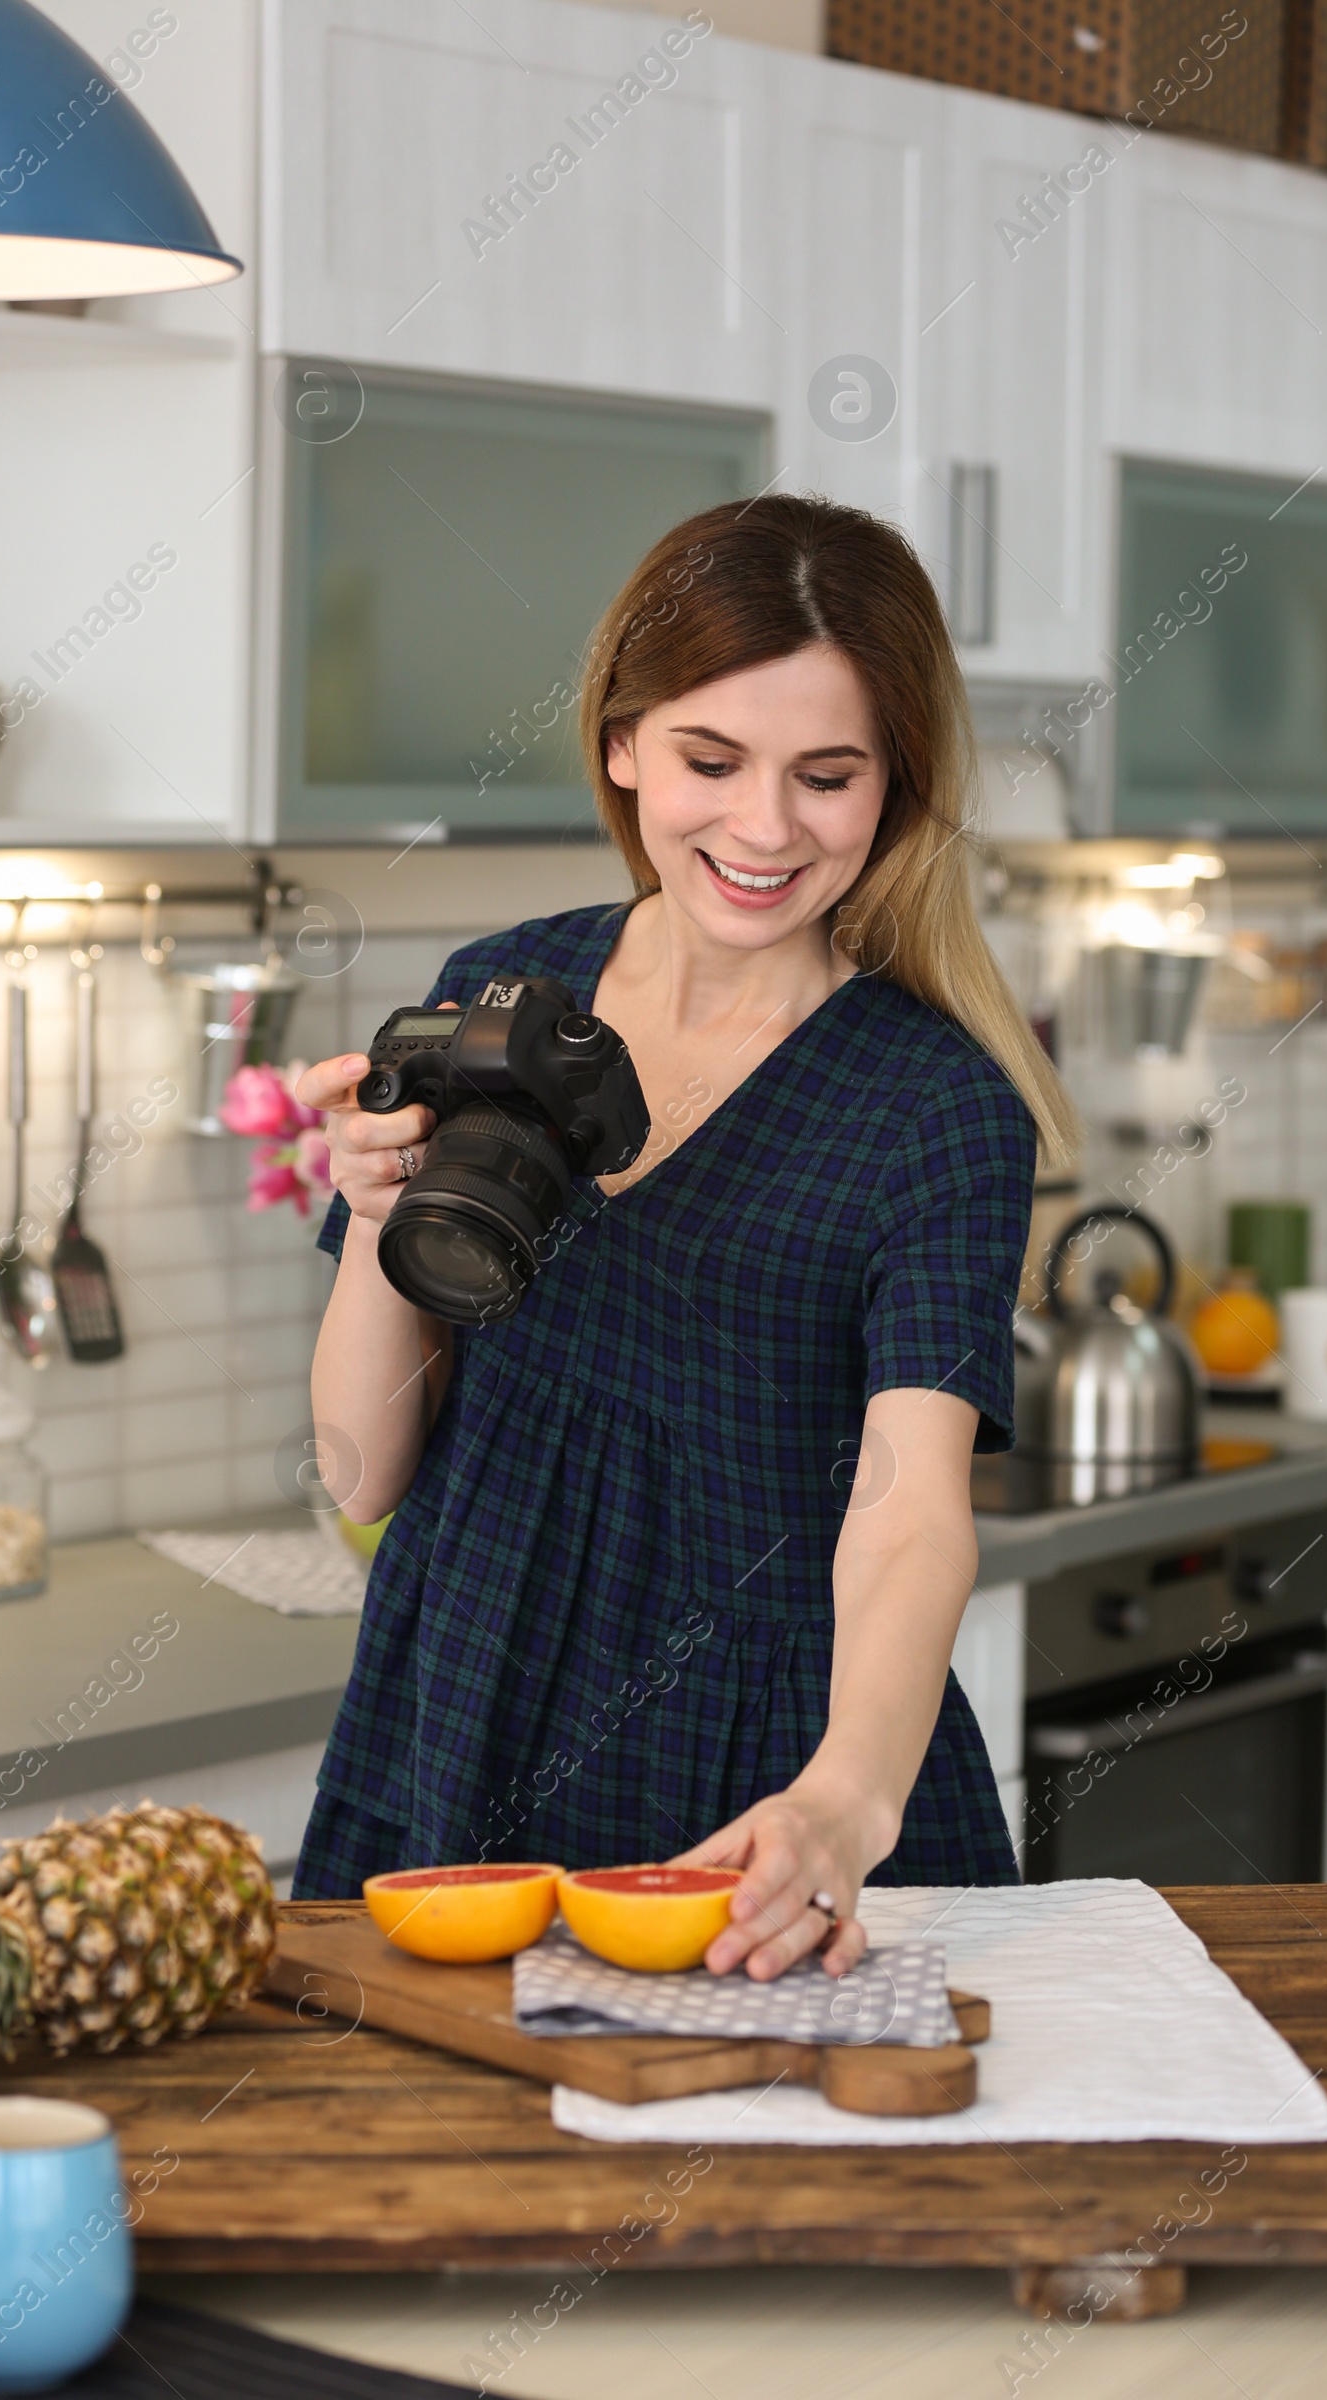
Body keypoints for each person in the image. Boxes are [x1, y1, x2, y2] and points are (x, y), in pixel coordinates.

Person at [290, 494, 1079, 1982]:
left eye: (828, 777)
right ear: (621, 744)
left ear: (895, 788)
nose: (765, 827)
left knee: (752, 2209)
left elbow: (911, 1511)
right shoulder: (502, 995)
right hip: (458, 1698)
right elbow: (362, 1464)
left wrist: (847, 1800)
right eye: (711, 761)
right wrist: (379, 1213)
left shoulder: (937, 1108)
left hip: (757, 1773)